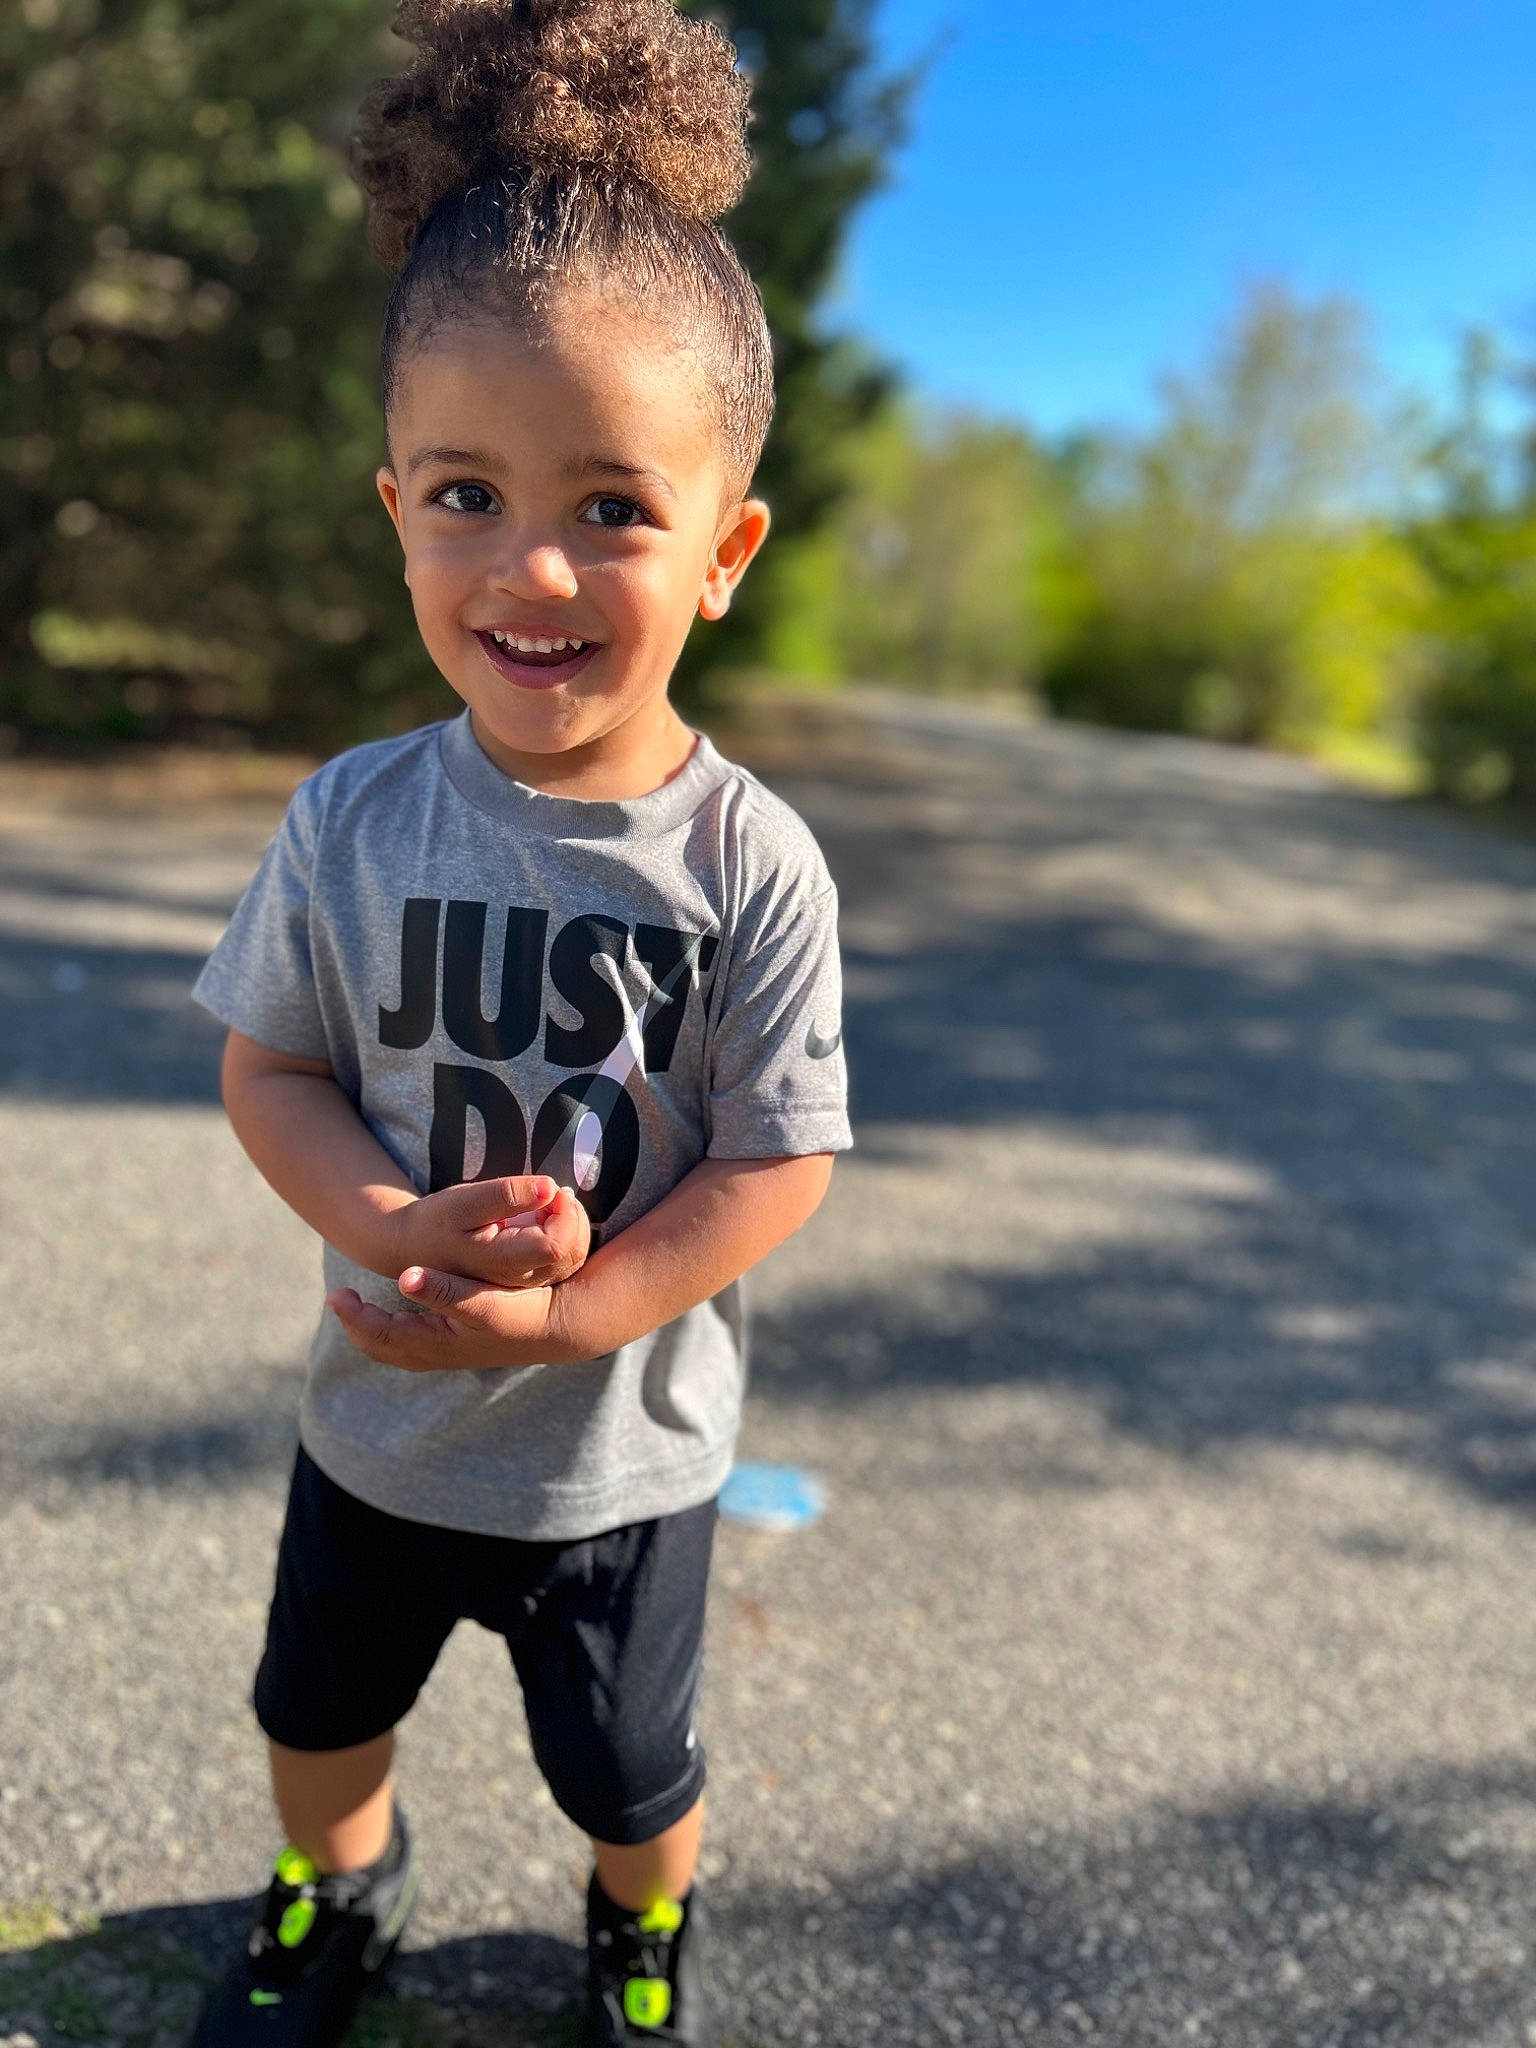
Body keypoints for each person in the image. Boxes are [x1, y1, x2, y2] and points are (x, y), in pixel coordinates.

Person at [184, 2, 851, 2043]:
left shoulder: (751, 859)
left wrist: (586, 1311)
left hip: (621, 1459)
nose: (531, 564)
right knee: (315, 1707)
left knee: (628, 1775)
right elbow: (271, 1064)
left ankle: (639, 1931)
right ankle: (331, 1889)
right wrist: (386, 1224)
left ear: (725, 549)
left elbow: (778, 1156)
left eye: (615, 510)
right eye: (466, 492)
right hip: (377, 1418)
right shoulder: (353, 817)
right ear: (394, 506)